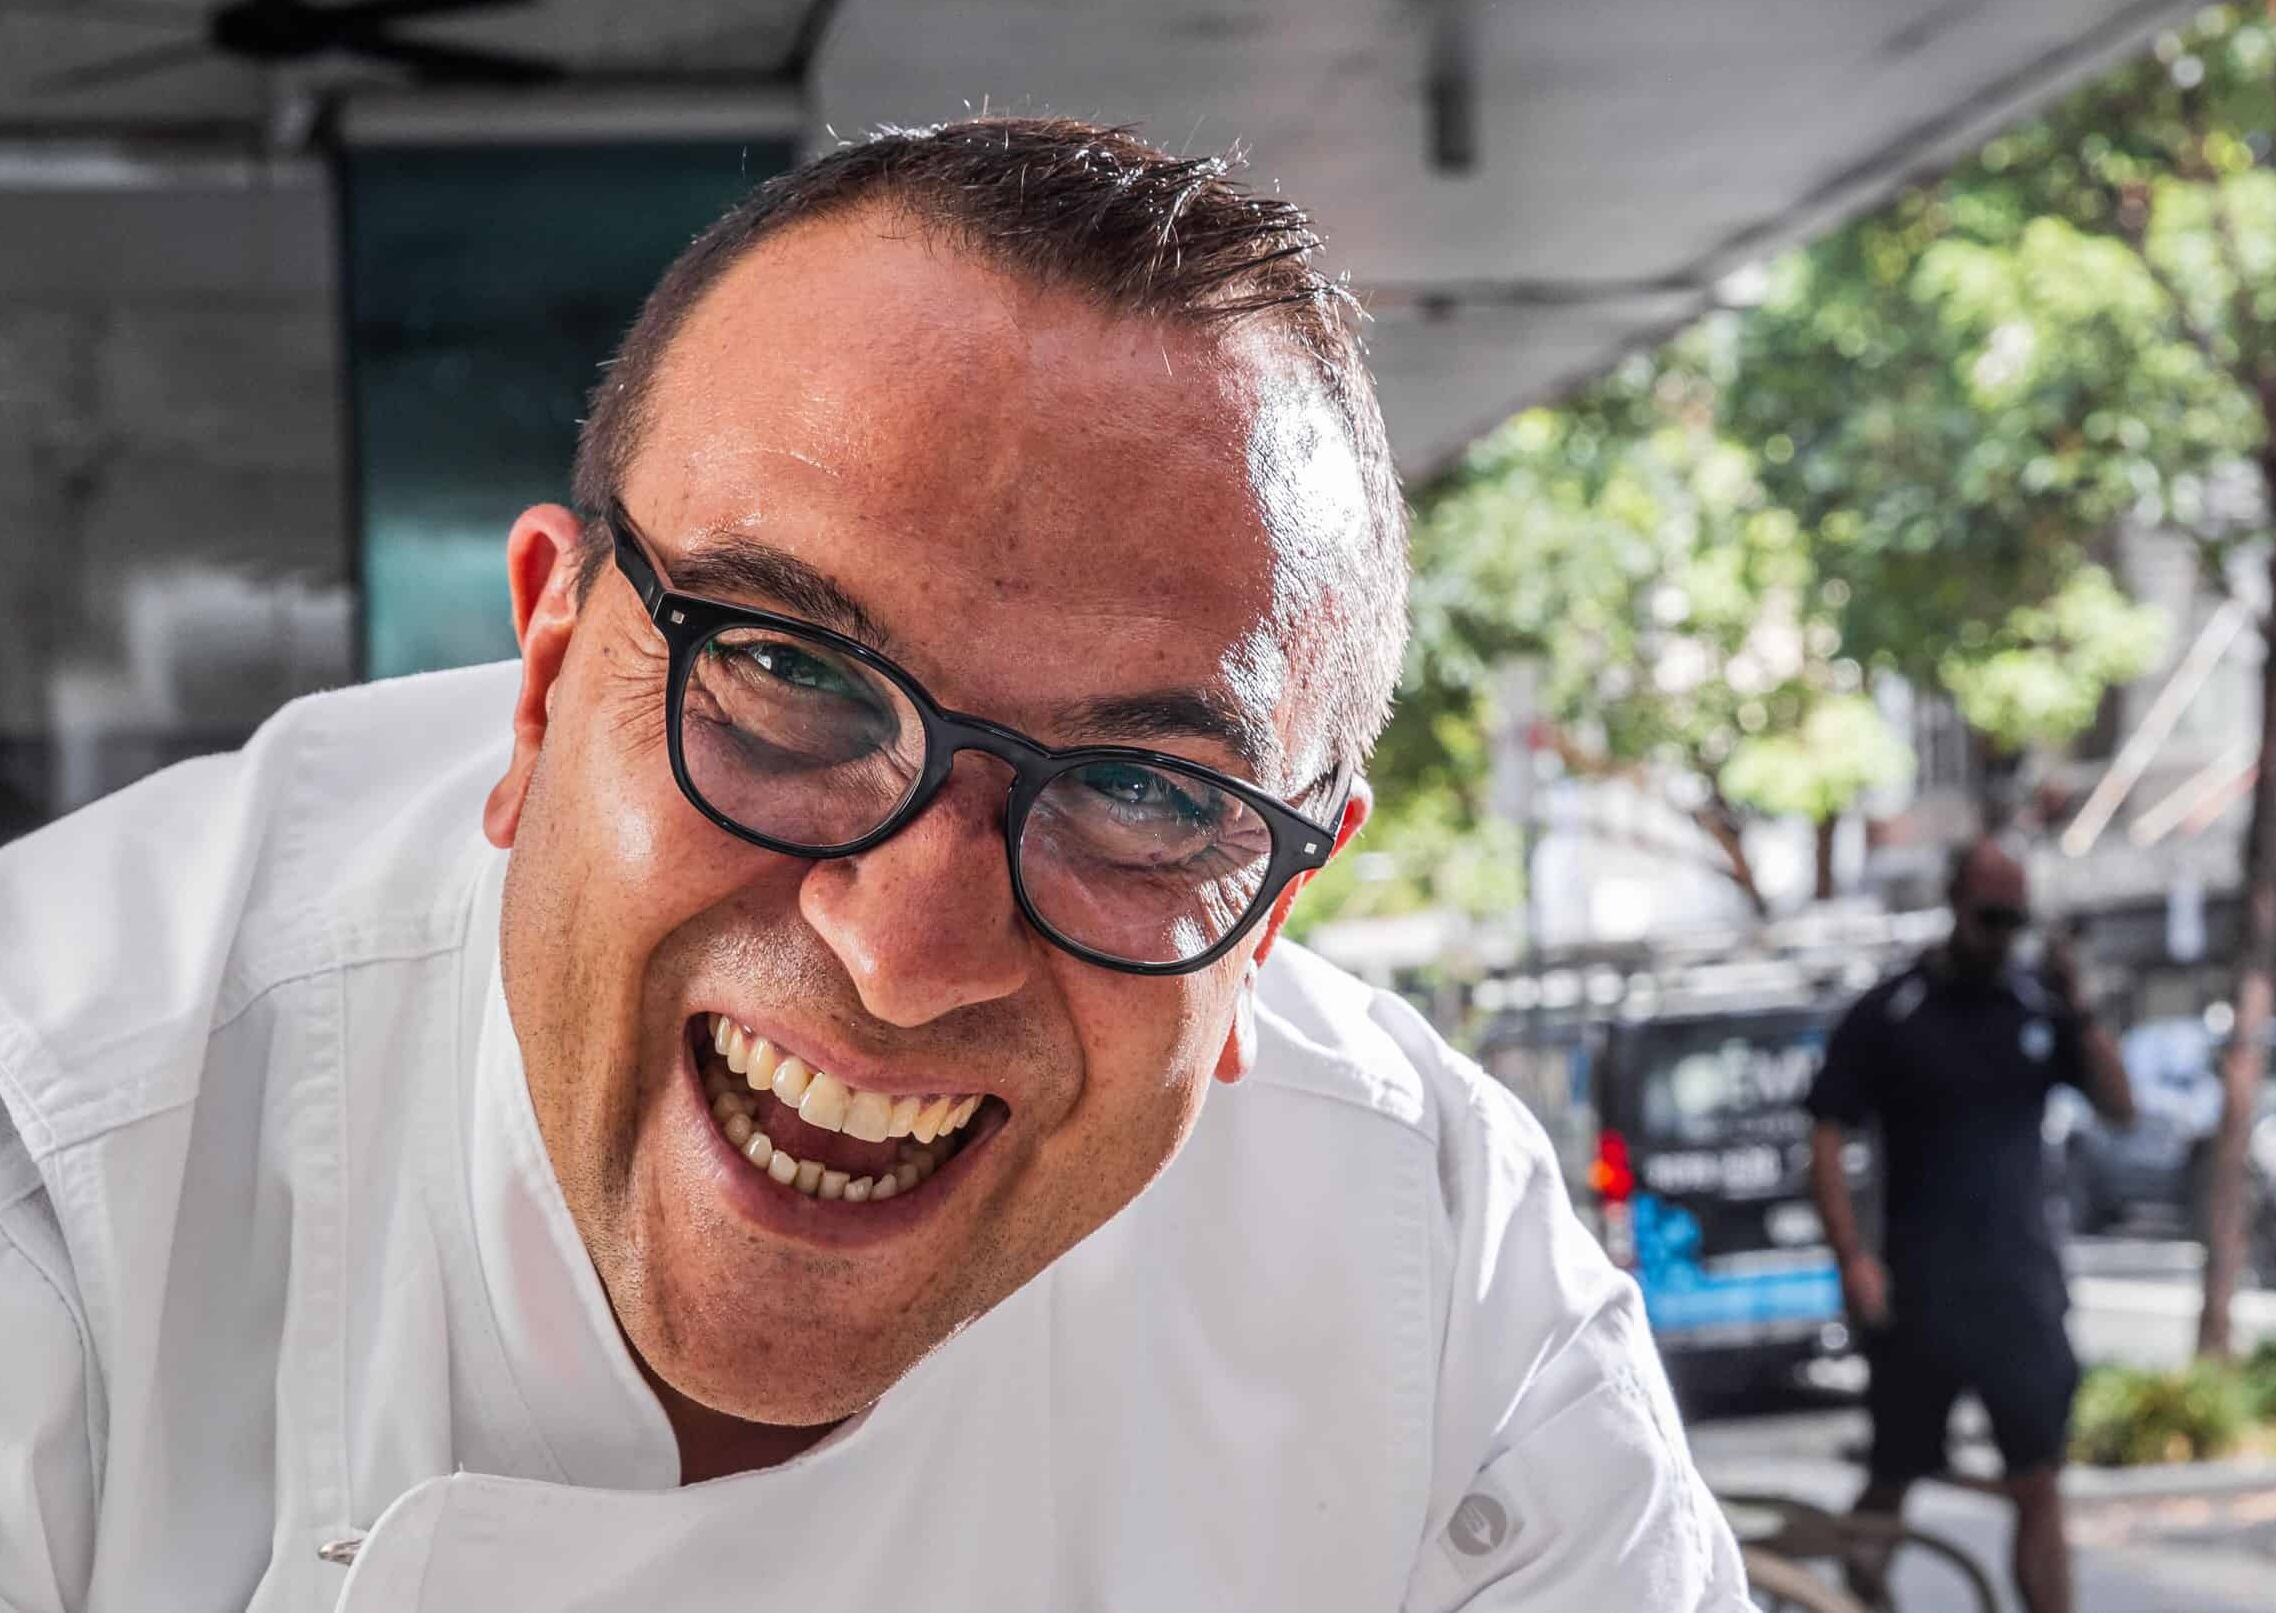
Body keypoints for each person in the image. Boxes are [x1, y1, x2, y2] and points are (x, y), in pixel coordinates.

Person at [0, 119, 1748, 1611]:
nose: (915, 949)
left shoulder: (1437, 1288)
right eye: (793, 679)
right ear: (542, 681)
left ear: (1273, 910)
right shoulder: (70, 1155)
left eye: (1140, 792)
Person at [1806, 838, 2134, 1613]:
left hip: (2019, 1289)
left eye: (2015, 918)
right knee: (1893, 1477)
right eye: (1990, 915)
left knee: (2039, 1483)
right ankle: (1864, 1596)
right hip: (1918, 1290)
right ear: (1955, 903)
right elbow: (1825, 1133)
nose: (2001, 933)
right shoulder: (1892, 1010)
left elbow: (2122, 1107)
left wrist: (2077, 1002)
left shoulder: (2037, 1007)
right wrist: (1851, 1257)